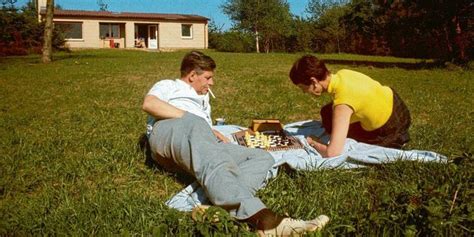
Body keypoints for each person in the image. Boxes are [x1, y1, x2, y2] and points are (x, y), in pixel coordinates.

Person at [142, 51, 329, 235]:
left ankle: (215, 210)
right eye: (208, 78)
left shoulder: (203, 99)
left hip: (198, 143)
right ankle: (264, 220)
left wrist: (208, 131)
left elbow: (198, 130)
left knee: (261, 157)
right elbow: (149, 104)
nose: (212, 83)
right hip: (168, 133)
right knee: (199, 128)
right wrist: (196, 122)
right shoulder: (169, 85)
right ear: (192, 76)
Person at [289, 55, 411, 158]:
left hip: (390, 129)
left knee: (334, 123)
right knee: (326, 112)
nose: (305, 92)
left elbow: (332, 153)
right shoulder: (343, 73)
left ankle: (398, 140)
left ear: (314, 82)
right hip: (399, 106)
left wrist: (313, 142)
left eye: (303, 88)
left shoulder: (342, 105)